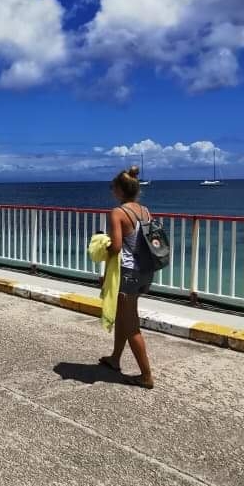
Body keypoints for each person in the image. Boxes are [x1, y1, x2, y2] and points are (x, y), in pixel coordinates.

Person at [99, 165, 155, 388]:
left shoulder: (118, 212)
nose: (112, 191)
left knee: (131, 325)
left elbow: (117, 247)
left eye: (113, 187)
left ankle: (146, 375)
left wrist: (101, 245)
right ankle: (114, 359)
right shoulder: (145, 211)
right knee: (124, 316)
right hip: (145, 271)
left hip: (128, 273)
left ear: (121, 190)